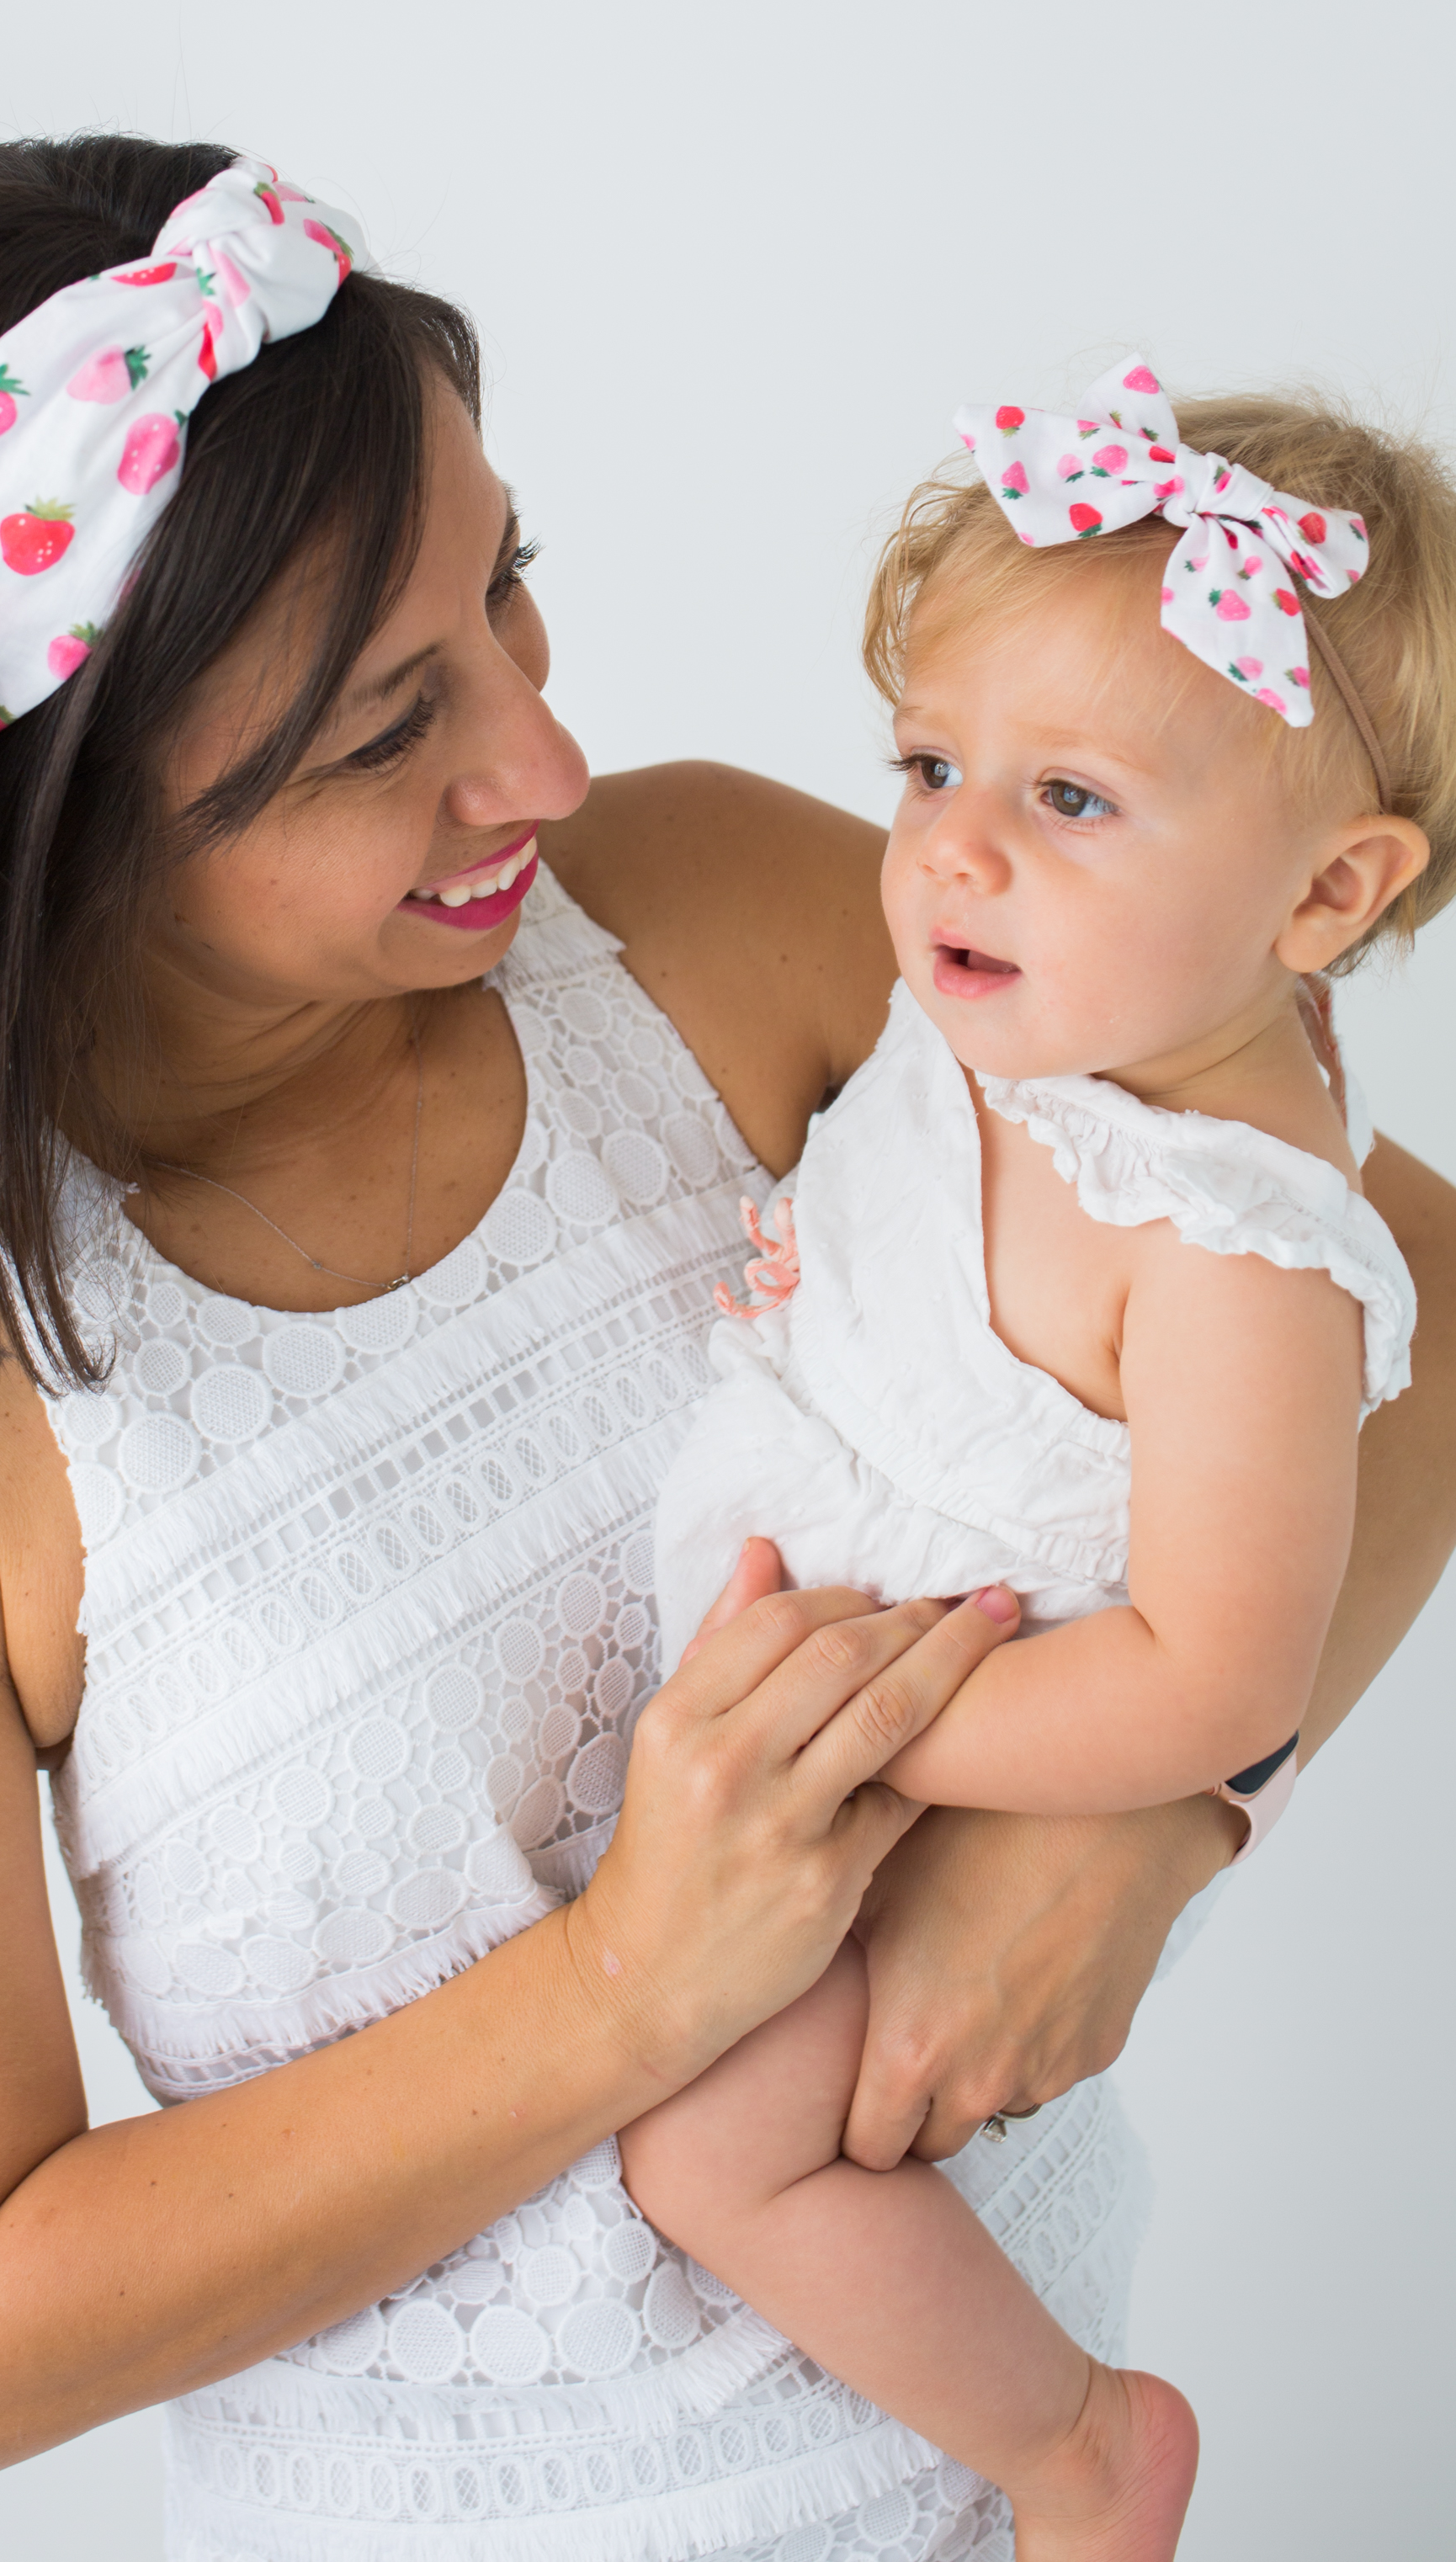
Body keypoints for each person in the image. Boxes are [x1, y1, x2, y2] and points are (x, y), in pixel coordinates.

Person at [0, 139, 1456, 2562]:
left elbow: (1392, 1297)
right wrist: (630, 1990)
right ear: (55, 830)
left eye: (507, 585)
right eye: (384, 723)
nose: (539, 760)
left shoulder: (710, 915)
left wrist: (1152, 1819)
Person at [628, 361, 1456, 2557]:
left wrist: (892, 1737)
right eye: (925, 764)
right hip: (803, 1630)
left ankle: (1073, 2444)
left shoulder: (1234, 1253)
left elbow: (1214, 1681)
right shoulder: (1042, 996)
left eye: (1068, 800)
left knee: (710, 2152)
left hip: (937, 1750)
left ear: (1320, 903)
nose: (952, 848)